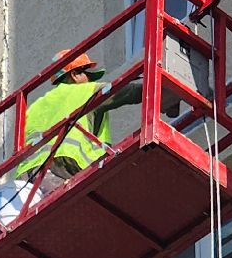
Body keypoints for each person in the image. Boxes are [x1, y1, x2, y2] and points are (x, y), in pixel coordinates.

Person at [15, 50, 145, 187]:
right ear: (75, 75)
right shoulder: (86, 91)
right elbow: (129, 92)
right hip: (64, 165)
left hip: (26, 176)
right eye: (88, 75)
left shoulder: (34, 107)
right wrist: (160, 86)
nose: (91, 81)